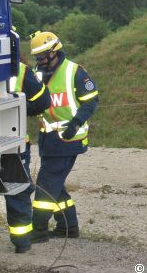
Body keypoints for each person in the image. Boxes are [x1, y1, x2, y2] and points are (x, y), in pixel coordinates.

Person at [28, 31, 99, 242]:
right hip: (47, 138)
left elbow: (91, 100)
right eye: (37, 57)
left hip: (68, 138)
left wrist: (76, 122)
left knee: (45, 185)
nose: (39, 61)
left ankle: (38, 230)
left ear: (54, 52)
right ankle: (68, 227)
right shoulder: (37, 73)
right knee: (55, 185)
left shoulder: (74, 71)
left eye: (42, 56)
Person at [6, 60, 50, 253]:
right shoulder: (21, 70)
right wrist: (21, 108)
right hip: (13, 141)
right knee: (18, 189)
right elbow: (43, 101)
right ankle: (22, 242)